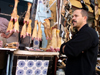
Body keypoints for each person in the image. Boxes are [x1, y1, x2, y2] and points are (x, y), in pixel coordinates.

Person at [60, 9, 99, 75]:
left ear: (84, 18)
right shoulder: (80, 33)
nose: (73, 18)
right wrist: (66, 47)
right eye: (72, 16)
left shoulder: (87, 33)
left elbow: (70, 50)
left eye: (76, 16)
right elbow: (64, 47)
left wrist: (67, 47)